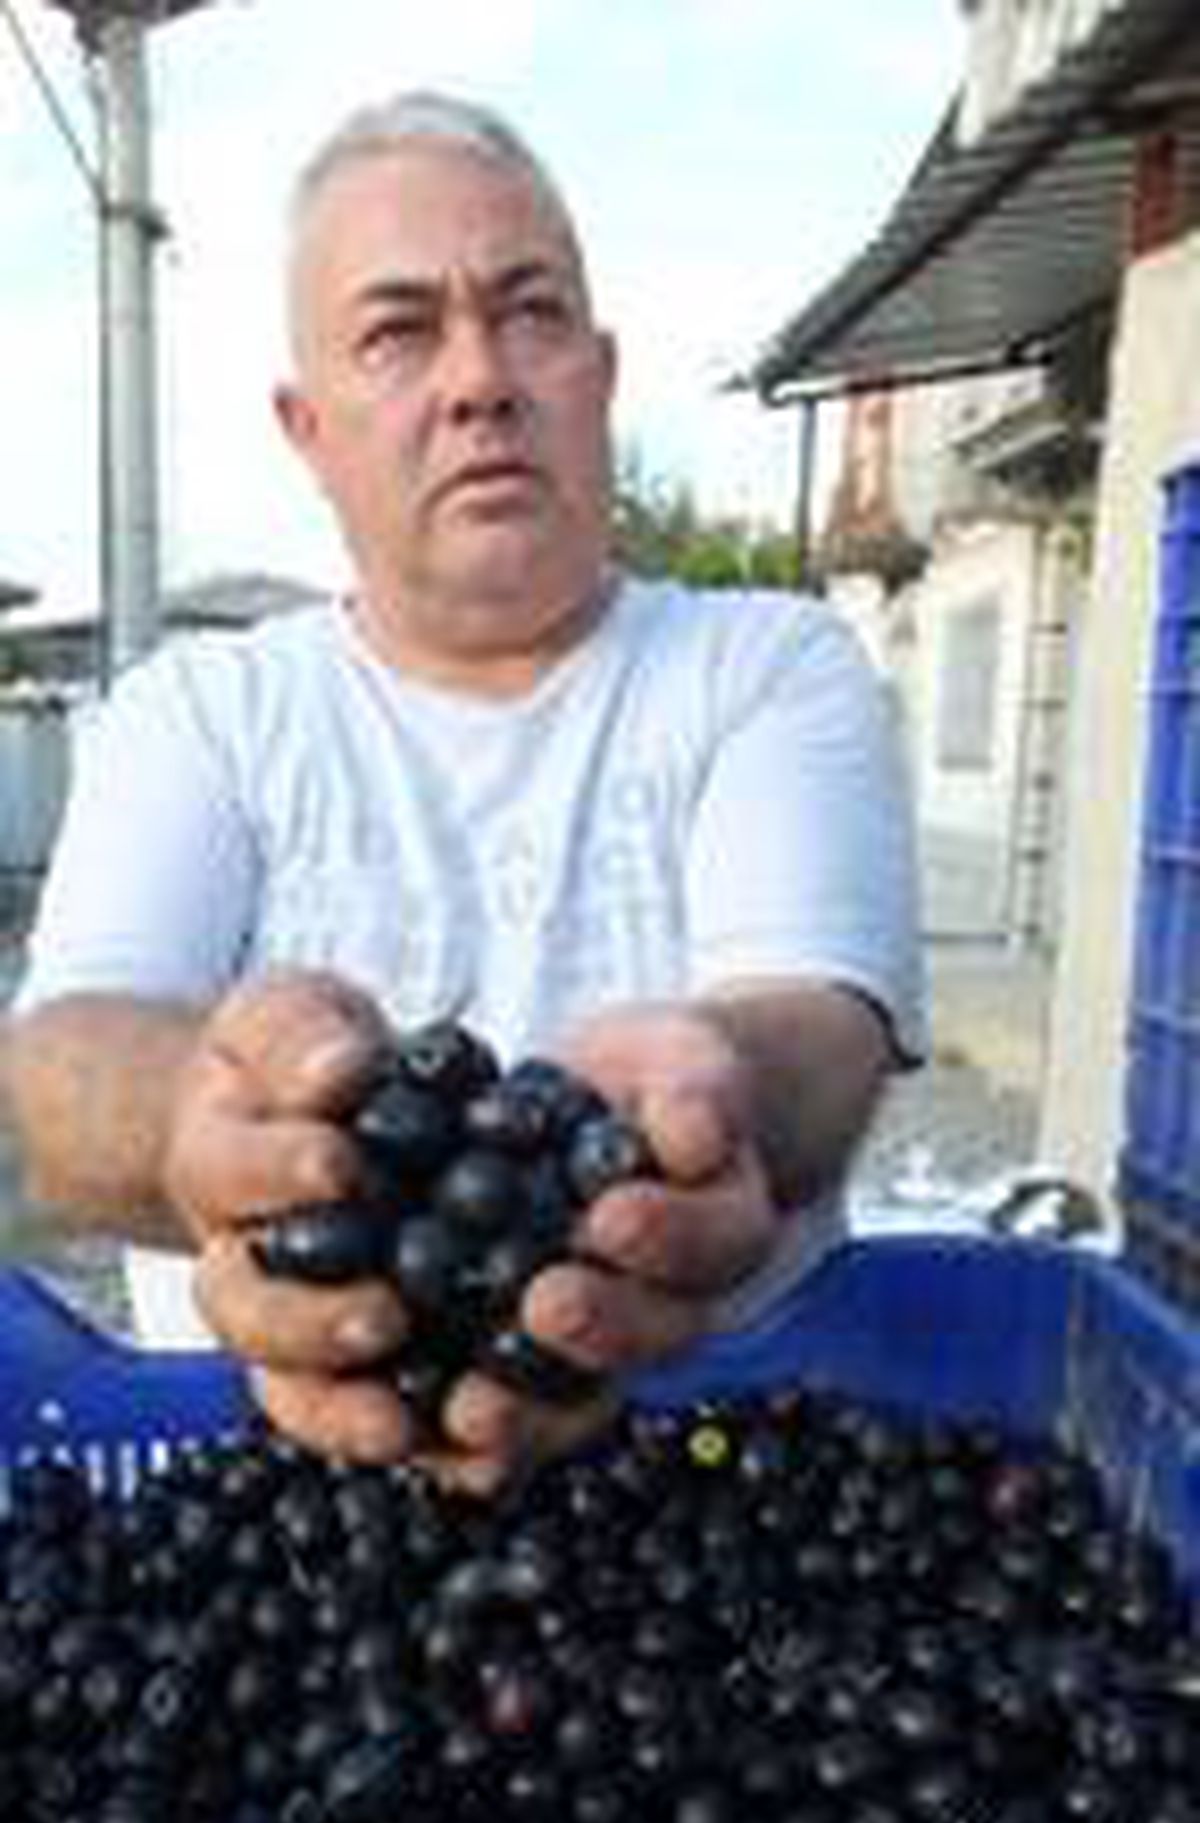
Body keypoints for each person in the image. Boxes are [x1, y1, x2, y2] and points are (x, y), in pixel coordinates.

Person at [6, 91, 925, 1494]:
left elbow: (818, 1019)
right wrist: (197, 1111)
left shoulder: (768, 661)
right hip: (279, 1473)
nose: (479, 378)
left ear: (602, 374)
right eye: (399, 330)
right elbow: (65, 1062)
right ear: (308, 428)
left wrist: (715, 1090)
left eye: (530, 312)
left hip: (710, 1459)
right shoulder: (203, 709)